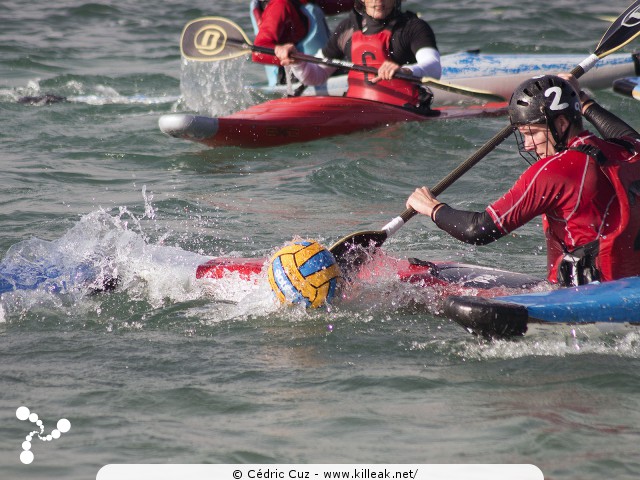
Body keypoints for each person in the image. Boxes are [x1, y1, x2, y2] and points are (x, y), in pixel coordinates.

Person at [406, 73, 640, 287]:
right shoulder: (629, 152)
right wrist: (583, 100)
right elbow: (628, 136)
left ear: (561, 124)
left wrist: (432, 208)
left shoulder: (554, 170)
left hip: (582, 295)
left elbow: (479, 230)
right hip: (629, 286)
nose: (527, 144)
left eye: (532, 133)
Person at [273, 0, 441, 111]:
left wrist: (406, 71)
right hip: (357, 113)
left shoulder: (413, 27)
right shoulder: (347, 29)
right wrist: (297, 62)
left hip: (405, 113)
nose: (378, 1)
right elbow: (316, 76)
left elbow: (434, 67)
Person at [250, 0, 354, 86]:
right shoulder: (279, 6)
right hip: (297, 78)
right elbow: (257, 52)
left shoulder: (307, 2)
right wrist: (284, 54)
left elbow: (342, 4)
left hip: (322, 70)